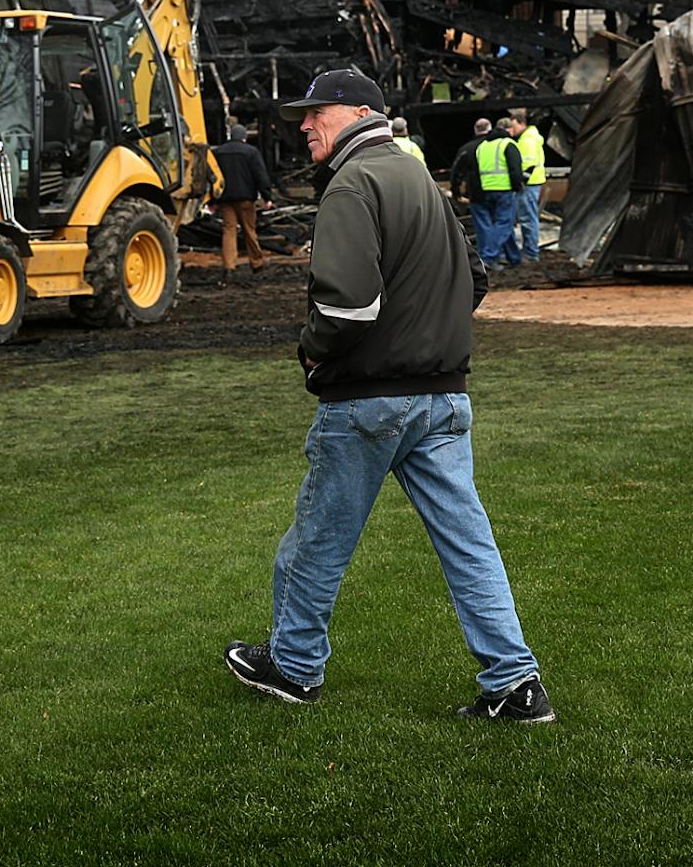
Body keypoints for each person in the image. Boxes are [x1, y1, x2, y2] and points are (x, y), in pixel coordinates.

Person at [222, 67, 552, 723]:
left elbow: (345, 310)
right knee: (469, 546)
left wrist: (311, 351)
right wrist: (427, 332)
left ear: (354, 112)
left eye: (315, 114)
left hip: (371, 400)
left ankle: (292, 667)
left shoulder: (353, 182)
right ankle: (516, 684)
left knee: (315, 541)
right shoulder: (417, 178)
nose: (305, 126)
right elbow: (476, 278)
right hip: (445, 399)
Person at [211, 121, 274, 276]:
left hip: (225, 199)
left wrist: (212, 201)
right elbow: (260, 176)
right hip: (246, 199)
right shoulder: (251, 152)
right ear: (244, 138)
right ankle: (256, 263)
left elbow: (212, 177)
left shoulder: (218, 152)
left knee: (229, 230)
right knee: (249, 230)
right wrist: (267, 197)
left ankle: (229, 267)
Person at [471, 120, 523, 271]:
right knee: (504, 225)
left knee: (499, 225)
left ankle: (514, 258)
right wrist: (517, 186)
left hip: (486, 189)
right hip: (504, 189)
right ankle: (488, 256)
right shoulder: (508, 144)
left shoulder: (482, 146)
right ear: (509, 129)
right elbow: (515, 169)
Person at [504, 109, 546, 266]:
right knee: (529, 218)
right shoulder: (530, 138)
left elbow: (528, 165)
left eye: (513, 126)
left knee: (528, 219)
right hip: (532, 184)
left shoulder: (527, 141)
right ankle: (530, 251)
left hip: (528, 185)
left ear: (521, 123)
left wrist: (518, 182)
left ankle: (531, 253)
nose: (511, 130)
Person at [450, 118, 492, 204]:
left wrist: (456, 192)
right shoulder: (500, 146)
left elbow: (456, 172)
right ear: (490, 128)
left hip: (476, 193)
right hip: (501, 190)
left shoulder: (466, 149)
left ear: (475, 130)